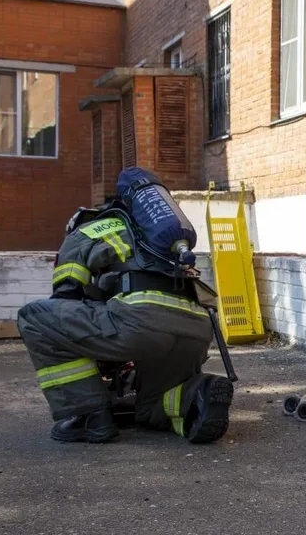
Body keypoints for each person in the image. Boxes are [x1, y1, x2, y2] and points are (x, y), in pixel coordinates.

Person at [17, 169, 234, 444]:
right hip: (196, 331)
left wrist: (95, 348)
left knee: (36, 319)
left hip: (141, 323)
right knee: (151, 407)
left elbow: (66, 297)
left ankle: (89, 417)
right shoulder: (165, 238)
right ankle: (196, 395)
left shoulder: (90, 229)